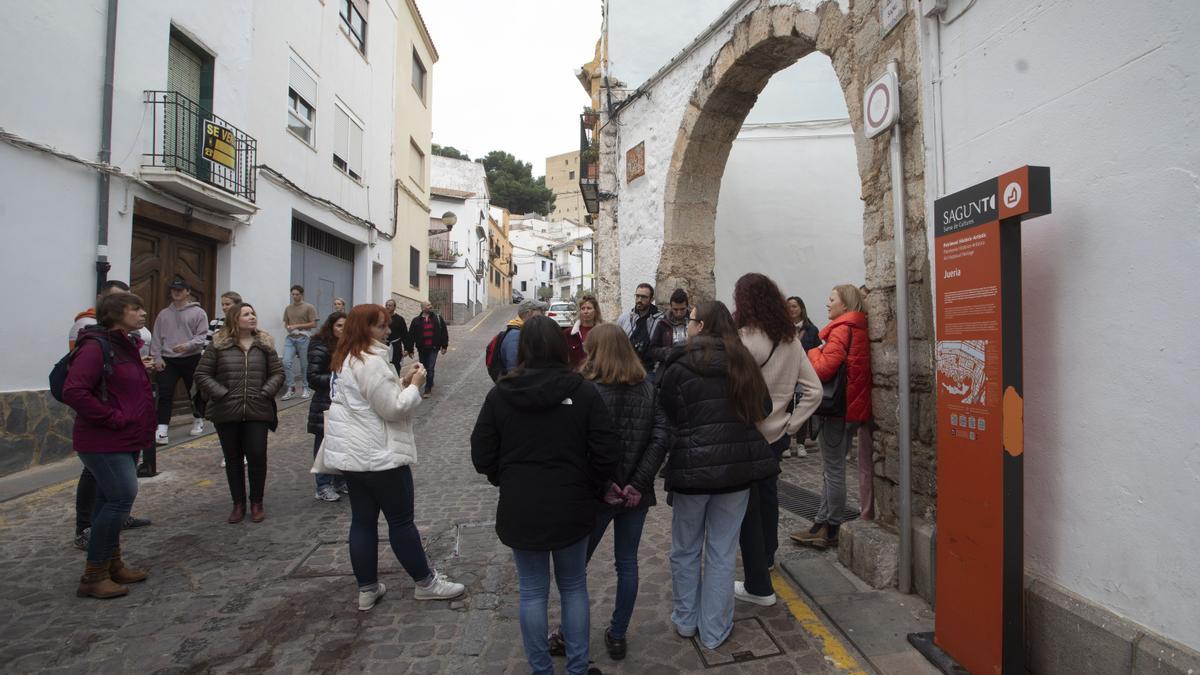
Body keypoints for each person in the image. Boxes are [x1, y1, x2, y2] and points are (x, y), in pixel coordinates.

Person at [471, 316, 620, 675]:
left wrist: (504, 478)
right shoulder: (583, 392)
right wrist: (593, 484)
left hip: (522, 506)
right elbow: (607, 450)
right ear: (558, 346)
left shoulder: (500, 395)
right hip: (571, 504)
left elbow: (482, 454)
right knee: (573, 587)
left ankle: (541, 669)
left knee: (532, 591)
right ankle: (578, 668)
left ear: (522, 350)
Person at [322, 304, 465, 611]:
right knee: (401, 523)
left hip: (354, 457)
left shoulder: (347, 358)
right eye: (381, 326)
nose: (388, 331)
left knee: (362, 522)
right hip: (380, 456)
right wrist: (414, 386)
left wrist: (399, 381)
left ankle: (367, 588)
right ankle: (426, 582)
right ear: (365, 328)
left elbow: (371, 400)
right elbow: (393, 409)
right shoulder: (369, 361)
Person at [657, 301, 777, 650]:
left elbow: (666, 412)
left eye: (691, 319)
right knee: (723, 551)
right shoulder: (742, 362)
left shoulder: (678, 364)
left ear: (702, 324)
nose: (688, 325)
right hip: (736, 470)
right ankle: (714, 629)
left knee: (685, 549)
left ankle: (685, 621)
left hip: (692, 472)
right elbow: (764, 408)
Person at [731, 273, 823, 607]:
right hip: (776, 435)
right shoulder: (790, 340)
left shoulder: (741, 338)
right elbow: (813, 390)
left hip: (745, 433)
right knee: (769, 497)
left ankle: (756, 575)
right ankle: (768, 556)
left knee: (747, 505)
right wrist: (790, 424)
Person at [579, 322, 668, 661]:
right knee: (627, 563)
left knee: (576, 568)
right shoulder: (648, 387)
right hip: (635, 495)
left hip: (598, 495)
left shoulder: (588, 390)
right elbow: (661, 437)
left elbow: (581, 446)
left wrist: (605, 486)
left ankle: (570, 633)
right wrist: (637, 484)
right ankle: (617, 634)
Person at [62, 292, 155, 599]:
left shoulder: (123, 344)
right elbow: (75, 391)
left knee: (107, 501)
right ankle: (94, 574)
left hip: (124, 436)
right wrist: (112, 417)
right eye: (136, 308)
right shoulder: (95, 346)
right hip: (104, 438)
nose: (142, 313)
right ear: (116, 313)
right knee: (121, 497)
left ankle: (112, 564)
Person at [790, 284, 873, 549]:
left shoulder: (841, 330)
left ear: (845, 305)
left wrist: (813, 351)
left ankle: (830, 526)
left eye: (832, 299)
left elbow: (824, 370)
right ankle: (821, 523)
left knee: (832, 470)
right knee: (832, 469)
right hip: (851, 408)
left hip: (836, 410)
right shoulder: (857, 328)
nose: (827, 304)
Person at [194, 303, 285, 524]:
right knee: (233, 459)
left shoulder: (264, 344)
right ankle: (238, 503)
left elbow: (278, 373)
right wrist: (222, 394)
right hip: (226, 410)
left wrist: (265, 392)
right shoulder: (218, 344)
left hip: (257, 409)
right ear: (235, 319)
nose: (252, 317)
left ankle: (257, 502)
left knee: (256, 455)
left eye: (253, 313)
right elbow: (202, 374)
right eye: (246, 314)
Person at [150, 277, 208, 447]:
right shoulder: (163, 314)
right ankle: (162, 429)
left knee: (194, 391)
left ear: (188, 292)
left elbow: (202, 336)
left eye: (180, 289)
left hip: (191, 358)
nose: (176, 292)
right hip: (169, 360)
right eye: (174, 289)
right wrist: (157, 358)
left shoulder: (199, 313)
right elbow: (156, 337)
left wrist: (188, 345)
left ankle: (198, 418)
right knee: (165, 393)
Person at [195, 291, 242, 472]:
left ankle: (239, 451)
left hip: (236, 375)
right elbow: (206, 348)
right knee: (223, 417)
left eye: (228, 304)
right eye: (223, 304)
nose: (224, 307)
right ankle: (228, 451)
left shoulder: (243, 323)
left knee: (239, 416)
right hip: (218, 376)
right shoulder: (215, 323)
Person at [307, 311, 347, 502]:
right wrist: (336, 380)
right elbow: (312, 377)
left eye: (346, 326)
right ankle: (323, 485)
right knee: (324, 444)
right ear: (331, 327)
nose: (343, 329)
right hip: (325, 402)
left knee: (342, 443)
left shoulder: (348, 346)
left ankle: (340, 481)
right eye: (339, 326)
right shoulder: (320, 346)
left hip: (343, 402)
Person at [615, 283, 664, 377]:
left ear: (651, 299)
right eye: (637, 296)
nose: (639, 300)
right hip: (626, 371)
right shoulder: (624, 319)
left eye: (644, 297)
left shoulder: (660, 320)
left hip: (650, 372)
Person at [281, 284, 318, 400]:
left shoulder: (309, 307)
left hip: (304, 337)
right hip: (291, 338)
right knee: (286, 362)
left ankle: (306, 388)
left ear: (302, 295)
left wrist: (297, 326)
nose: (295, 296)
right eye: (293, 294)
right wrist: (289, 328)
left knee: (304, 365)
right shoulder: (288, 308)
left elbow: (314, 324)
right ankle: (291, 388)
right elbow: (286, 323)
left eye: (297, 294)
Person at [408, 302, 449, 399]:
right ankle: (430, 381)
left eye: (431, 304)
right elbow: (411, 335)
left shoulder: (438, 318)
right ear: (422, 308)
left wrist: (444, 346)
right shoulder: (416, 321)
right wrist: (410, 350)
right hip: (422, 348)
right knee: (424, 368)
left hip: (434, 348)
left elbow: (444, 332)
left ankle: (428, 388)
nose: (431, 306)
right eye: (428, 305)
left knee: (430, 368)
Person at [499, 299, 548, 376]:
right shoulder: (515, 337)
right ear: (529, 313)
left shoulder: (525, 331)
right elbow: (513, 372)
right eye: (541, 310)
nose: (544, 314)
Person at [648, 288, 690, 373]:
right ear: (670, 307)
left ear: (687, 307)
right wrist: (668, 352)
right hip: (669, 369)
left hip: (690, 369)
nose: (679, 313)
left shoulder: (694, 322)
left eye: (682, 309)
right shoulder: (662, 324)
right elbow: (652, 349)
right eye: (675, 309)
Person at [564, 294, 601, 371]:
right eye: (583, 308)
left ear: (595, 311)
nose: (585, 311)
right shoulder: (569, 333)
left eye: (589, 308)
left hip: (597, 376)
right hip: (575, 377)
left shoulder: (602, 332)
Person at [384, 299, 413, 372]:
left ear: (394, 307)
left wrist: (407, 349)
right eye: (386, 305)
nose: (387, 307)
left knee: (396, 366)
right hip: (384, 346)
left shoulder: (400, 319)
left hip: (396, 347)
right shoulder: (382, 318)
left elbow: (405, 335)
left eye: (390, 305)